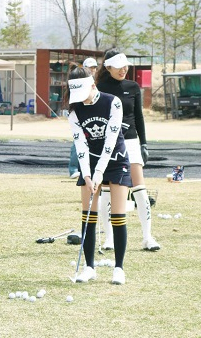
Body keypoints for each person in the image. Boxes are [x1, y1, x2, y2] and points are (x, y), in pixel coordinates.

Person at [66, 66, 132, 285]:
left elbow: (110, 142)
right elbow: (80, 146)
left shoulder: (113, 102)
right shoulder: (74, 111)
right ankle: (89, 267)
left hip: (116, 160)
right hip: (90, 162)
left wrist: (99, 172)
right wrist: (87, 175)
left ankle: (119, 268)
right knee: (88, 216)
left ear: (92, 85)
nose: (80, 100)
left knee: (118, 215)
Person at [95, 49, 161, 252]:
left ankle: (148, 237)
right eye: (118, 66)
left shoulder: (132, 87)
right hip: (108, 143)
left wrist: (144, 144)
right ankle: (109, 238)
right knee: (107, 192)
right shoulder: (98, 87)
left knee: (140, 190)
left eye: (125, 66)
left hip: (131, 140)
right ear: (108, 67)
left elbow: (139, 116)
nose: (124, 69)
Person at [68, 57, 98, 179]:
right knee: (78, 142)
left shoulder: (96, 82)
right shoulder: (78, 79)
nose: (93, 70)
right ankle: (73, 168)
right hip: (81, 113)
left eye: (94, 67)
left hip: (94, 114)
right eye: (90, 67)